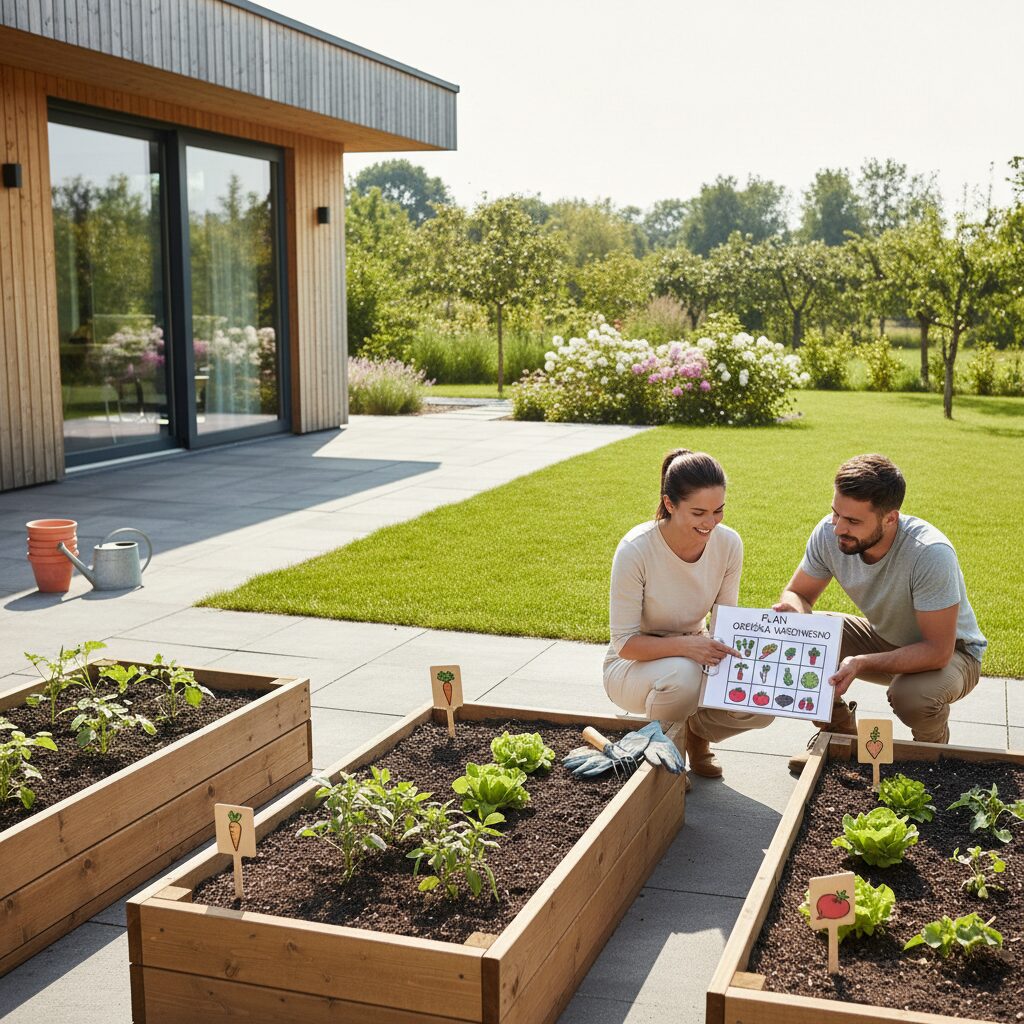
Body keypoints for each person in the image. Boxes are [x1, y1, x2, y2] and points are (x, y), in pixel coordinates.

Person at [776, 453, 986, 774]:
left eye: (853, 522)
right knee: (810, 638)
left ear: (890, 518)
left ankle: (931, 758)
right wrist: (792, 612)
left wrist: (862, 662)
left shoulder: (930, 554)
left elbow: (937, 651)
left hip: (953, 654)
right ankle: (838, 735)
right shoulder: (830, 532)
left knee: (911, 696)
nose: (838, 528)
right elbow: (800, 593)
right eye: (836, 514)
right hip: (886, 637)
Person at [604, 448, 772, 784]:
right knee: (682, 677)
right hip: (633, 666)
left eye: (718, 511)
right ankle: (666, 764)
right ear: (670, 504)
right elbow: (625, 644)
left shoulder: (728, 544)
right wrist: (688, 647)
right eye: (698, 512)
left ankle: (695, 733)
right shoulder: (636, 549)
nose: (710, 523)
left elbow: (726, 622)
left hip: (697, 654)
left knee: (763, 700)